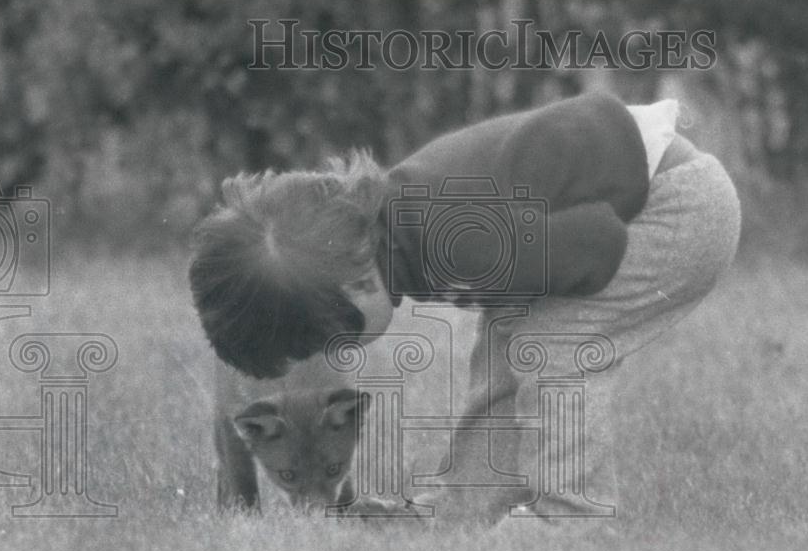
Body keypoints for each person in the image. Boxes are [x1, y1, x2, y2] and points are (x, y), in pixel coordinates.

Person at [189, 90, 741, 520]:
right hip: (622, 204)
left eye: (338, 339)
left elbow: (597, 240)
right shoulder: (404, 228)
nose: (344, 353)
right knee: (512, 334)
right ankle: (466, 509)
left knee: (550, 342)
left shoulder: (455, 240)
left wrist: (542, 304)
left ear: (354, 284)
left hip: (677, 207)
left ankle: (570, 516)